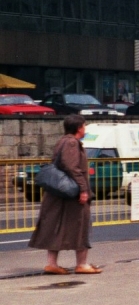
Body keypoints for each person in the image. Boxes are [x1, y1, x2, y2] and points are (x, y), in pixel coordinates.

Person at [30, 115, 99, 275]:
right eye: (84, 125)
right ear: (78, 128)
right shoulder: (71, 143)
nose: (85, 128)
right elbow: (72, 167)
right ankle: (81, 264)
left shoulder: (63, 141)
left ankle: (52, 264)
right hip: (71, 193)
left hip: (61, 194)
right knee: (81, 223)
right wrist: (83, 189)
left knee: (56, 226)